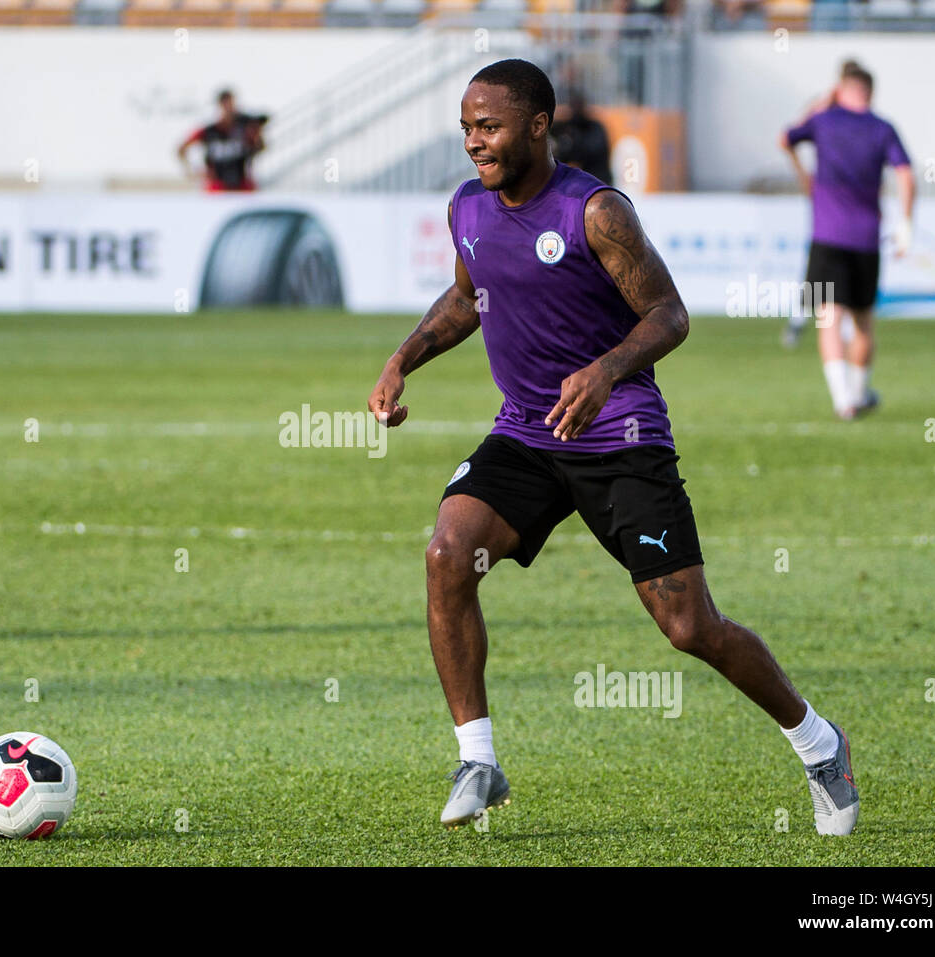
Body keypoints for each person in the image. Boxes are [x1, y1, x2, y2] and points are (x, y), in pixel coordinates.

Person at [367, 59, 858, 836]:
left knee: (690, 627)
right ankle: (478, 759)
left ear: (537, 125)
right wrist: (402, 359)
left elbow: (670, 314)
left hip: (619, 432)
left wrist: (604, 369)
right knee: (446, 554)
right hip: (528, 430)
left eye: (487, 126)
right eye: (465, 128)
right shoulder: (468, 207)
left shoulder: (595, 212)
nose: (473, 143)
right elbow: (467, 298)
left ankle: (817, 740)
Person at [780, 66, 914, 418]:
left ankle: (843, 401)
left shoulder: (824, 120)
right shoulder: (883, 128)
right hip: (867, 239)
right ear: (870, 92)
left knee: (829, 318)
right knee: (864, 321)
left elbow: (786, 137)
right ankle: (858, 392)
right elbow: (906, 174)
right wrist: (906, 224)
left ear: (842, 90)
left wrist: (802, 173)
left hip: (827, 235)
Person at [177, 89, 265, 192]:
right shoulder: (209, 131)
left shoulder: (244, 129)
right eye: (227, 104)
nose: (230, 108)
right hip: (217, 187)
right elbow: (181, 149)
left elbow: (260, 148)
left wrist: (256, 135)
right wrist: (193, 171)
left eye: (232, 104)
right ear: (221, 105)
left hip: (242, 185)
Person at [550, 88, 612, 185]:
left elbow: (593, 150)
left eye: (579, 106)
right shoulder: (565, 127)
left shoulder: (595, 127)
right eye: (574, 106)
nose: (576, 111)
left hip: (595, 178)